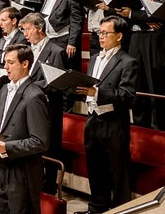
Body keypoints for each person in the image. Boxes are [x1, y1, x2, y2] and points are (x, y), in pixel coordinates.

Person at [74, 16, 138, 214]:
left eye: (105, 33)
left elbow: (127, 96)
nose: (100, 37)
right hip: (93, 120)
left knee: (118, 173)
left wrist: (97, 93)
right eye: (99, 33)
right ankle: (96, 208)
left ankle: (120, 210)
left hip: (114, 123)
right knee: (95, 168)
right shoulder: (94, 59)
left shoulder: (128, 62)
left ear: (119, 36)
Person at [0, 44, 50, 214]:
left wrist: (7, 147)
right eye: (5, 62)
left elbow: (40, 141)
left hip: (22, 171)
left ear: (25, 64)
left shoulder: (35, 96)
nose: (5, 67)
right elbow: (4, 123)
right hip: (1, 165)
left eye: (10, 62)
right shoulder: (5, 89)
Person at [19, 12, 68, 195]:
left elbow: (56, 83)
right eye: (24, 30)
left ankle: (48, 189)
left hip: (48, 109)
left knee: (50, 148)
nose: (25, 33)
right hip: (29, 105)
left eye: (28, 29)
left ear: (39, 28)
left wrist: (27, 85)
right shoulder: (27, 50)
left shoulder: (56, 51)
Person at [116, 0, 165, 129]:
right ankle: (140, 127)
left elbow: (160, 14)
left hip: (155, 41)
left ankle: (160, 128)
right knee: (138, 84)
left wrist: (134, 14)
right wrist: (142, 18)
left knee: (156, 84)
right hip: (136, 38)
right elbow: (138, 14)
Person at [40, 0, 84, 71]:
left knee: (64, 72)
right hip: (49, 38)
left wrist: (72, 43)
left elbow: (77, 18)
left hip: (63, 40)